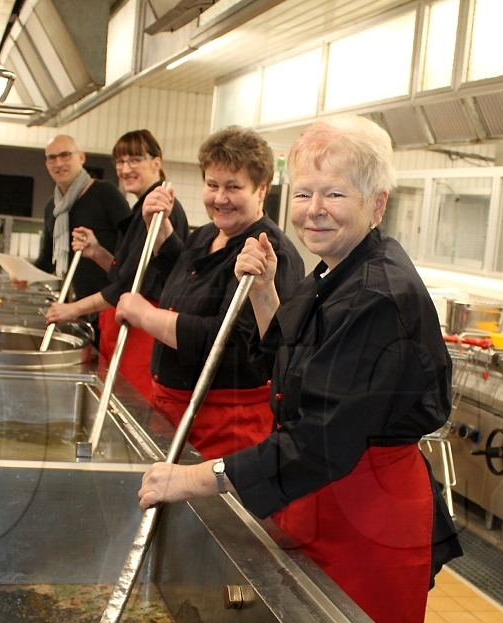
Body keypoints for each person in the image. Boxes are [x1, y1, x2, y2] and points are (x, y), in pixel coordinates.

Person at [135, 117, 462, 623]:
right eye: (305, 192)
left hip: (367, 513)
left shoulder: (378, 294)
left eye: (335, 193)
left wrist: (194, 477)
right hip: (328, 495)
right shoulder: (336, 269)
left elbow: (319, 443)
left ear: (377, 204)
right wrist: (265, 292)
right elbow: (287, 358)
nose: (315, 208)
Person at [115, 126, 305, 458]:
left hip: (225, 420)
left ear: (261, 190)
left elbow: (229, 340)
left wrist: (144, 314)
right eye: (212, 185)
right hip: (173, 408)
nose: (219, 198)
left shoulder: (268, 253)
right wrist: (159, 233)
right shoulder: (206, 234)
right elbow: (187, 274)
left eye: (233, 187)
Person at [44, 130, 190, 401]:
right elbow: (125, 272)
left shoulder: (161, 212)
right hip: (129, 326)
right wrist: (97, 252)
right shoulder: (141, 211)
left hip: (144, 333)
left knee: (133, 407)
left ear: (156, 162)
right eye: (120, 162)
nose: (125, 169)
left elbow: (128, 285)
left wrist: (72, 309)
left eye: (134, 160)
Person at [34, 134, 131, 306]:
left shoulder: (106, 194)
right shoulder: (53, 207)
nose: (58, 163)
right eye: (52, 158)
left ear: (81, 157)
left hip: (110, 303)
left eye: (65, 155)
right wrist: (23, 275)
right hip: (74, 304)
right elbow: (47, 260)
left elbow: (131, 250)